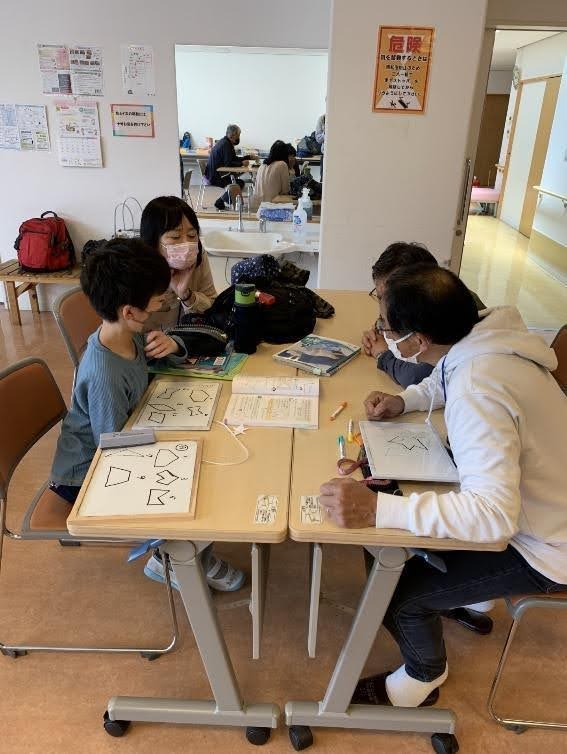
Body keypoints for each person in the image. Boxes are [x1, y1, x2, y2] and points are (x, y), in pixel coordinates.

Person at [320, 265, 567, 708]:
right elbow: (443, 374)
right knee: (398, 531)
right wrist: (405, 400)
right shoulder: (484, 334)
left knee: (395, 592)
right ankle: (471, 600)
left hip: (549, 547)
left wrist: (376, 510)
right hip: (543, 508)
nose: (382, 332)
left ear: (416, 341)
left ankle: (423, 678)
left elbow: (492, 517)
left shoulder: (479, 390)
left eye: (386, 326)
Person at [49, 239, 187, 507]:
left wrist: (172, 345)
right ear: (130, 311)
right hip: (82, 475)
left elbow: (162, 362)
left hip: (119, 440)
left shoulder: (127, 334)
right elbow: (116, 448)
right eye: (159, 301)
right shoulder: (105, 377)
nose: (161, 307)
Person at [362, 243, 485, 389]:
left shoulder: (448, 316)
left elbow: (416, 376)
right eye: (380, 296)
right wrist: (380, 332)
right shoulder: (422, 303)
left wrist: (383, 354)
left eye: (390, 296)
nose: (386, 303)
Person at [140, 196, 217, 330]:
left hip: (189, 339)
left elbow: (213, 307)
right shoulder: (136, 267)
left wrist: (186, 295)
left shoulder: (198, 256)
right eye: (175, 237)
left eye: (192, 235)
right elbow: (128, 324)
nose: (186, 244)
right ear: (153, 241)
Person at [204, 124, 255, 211]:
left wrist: (247, 157)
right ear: (233, 135)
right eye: (238, 135)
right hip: (216, 177)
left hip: (216, 174)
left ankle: (224, 201)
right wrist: (241, 163)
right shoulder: (226, 144)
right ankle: (220, 202)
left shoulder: (225, 142)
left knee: (238, 182)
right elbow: (228, 163)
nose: (238, 137)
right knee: (238, 184)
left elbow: (233, 159)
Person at [252, 140, 291, 209]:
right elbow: (285, 190)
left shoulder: (262, 165)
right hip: (272, 206)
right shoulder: (282, 164)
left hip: (257, 206)